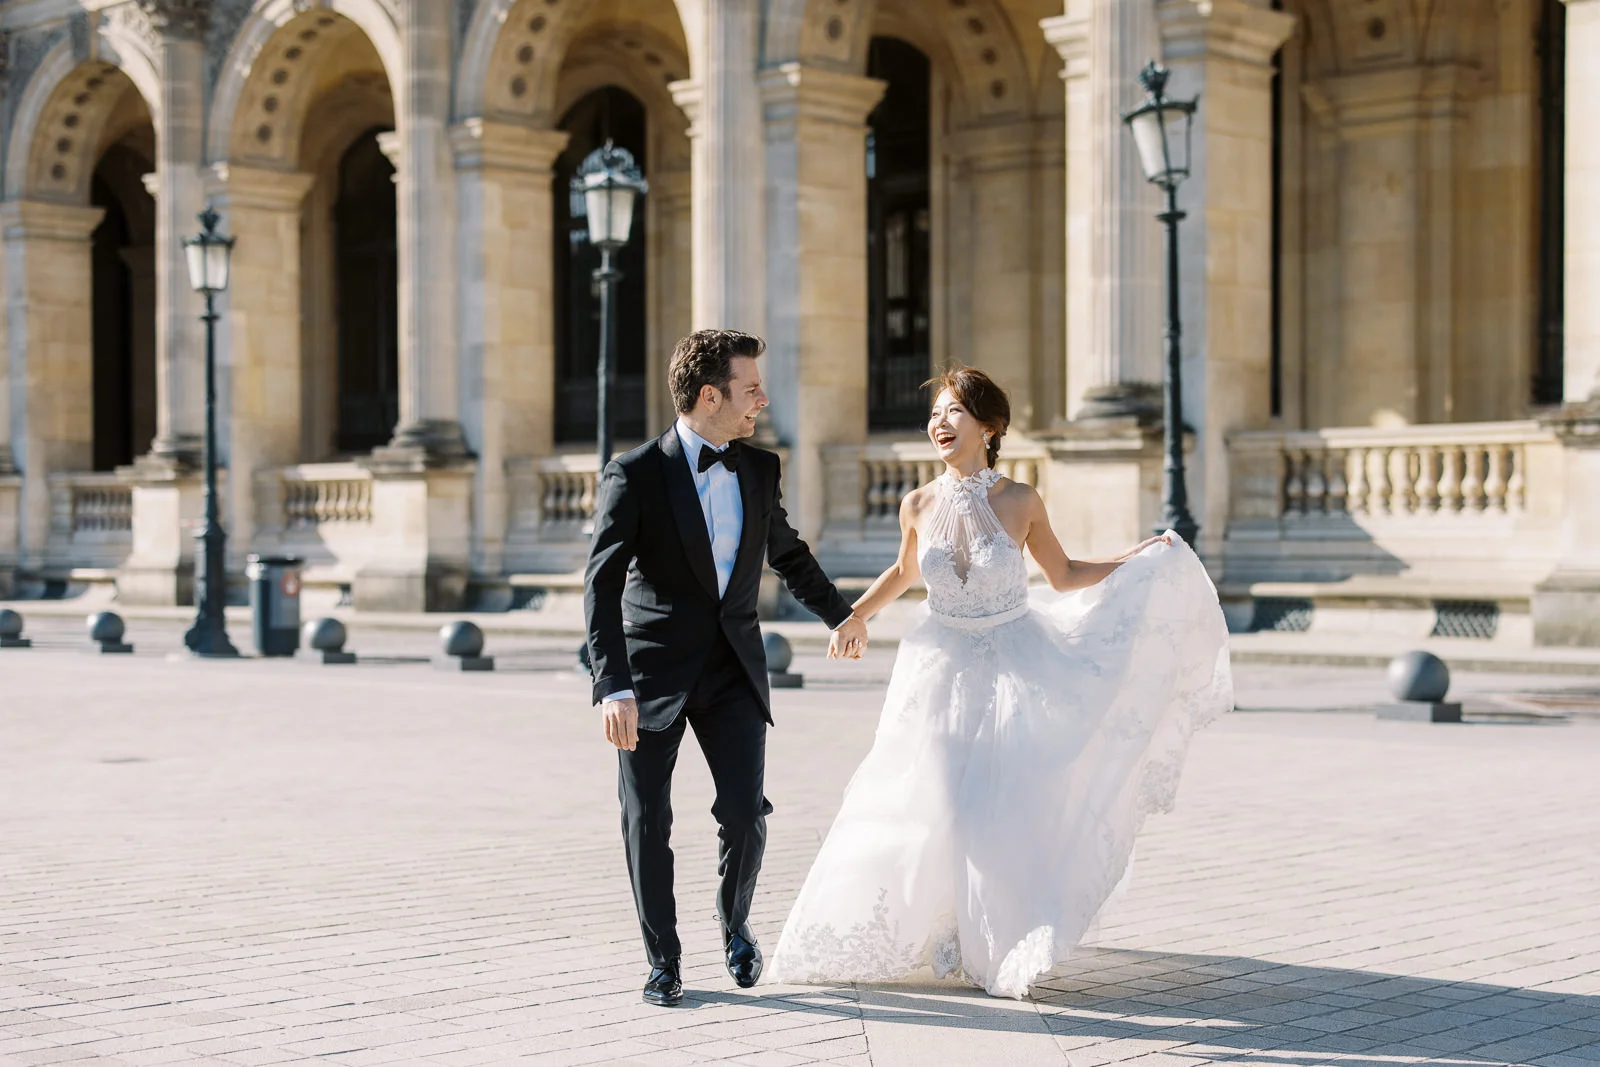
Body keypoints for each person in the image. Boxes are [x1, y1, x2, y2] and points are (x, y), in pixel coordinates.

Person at [766, 366, 1232, 999]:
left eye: (954, 411)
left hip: (1014, 667)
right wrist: (853, 617)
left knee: (992, 810)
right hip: (937, 667)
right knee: (933, 803)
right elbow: (904, 572)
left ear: (990, 426)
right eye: (935, 412)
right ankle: (942, 927)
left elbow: (1064, 576)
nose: (940, 422)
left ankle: (990, 940)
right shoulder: (917, 503)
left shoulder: (1019, 500)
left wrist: (1137, 556)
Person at [585, 329, 870, 1007]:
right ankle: (664, 959)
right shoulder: (636, 473)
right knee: (645, 818)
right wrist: (611, 683)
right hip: (650, 676)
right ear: (709, 395)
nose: (761, 400)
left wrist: (841, 614)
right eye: (750, 389)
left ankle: (734, 921)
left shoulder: (758, 468)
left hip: (734, 670)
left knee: (745, 813)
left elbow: (788, 553)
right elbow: (601, 583)